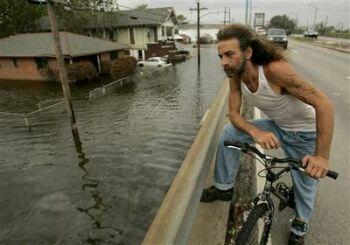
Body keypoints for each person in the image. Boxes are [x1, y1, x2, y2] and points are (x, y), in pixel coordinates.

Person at [200, 24, 334, 245]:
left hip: (305, 133)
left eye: (229, 55)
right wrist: (256, 131)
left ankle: (300, 226)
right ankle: (224, 187)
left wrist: (321, 156)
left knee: (306, 182)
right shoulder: (235, 74)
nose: (223, 62)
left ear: (248, 53)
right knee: (229, 132)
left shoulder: (274, 70)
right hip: (278, 125)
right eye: (221, 56)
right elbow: (233, 114)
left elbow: (324, 104)